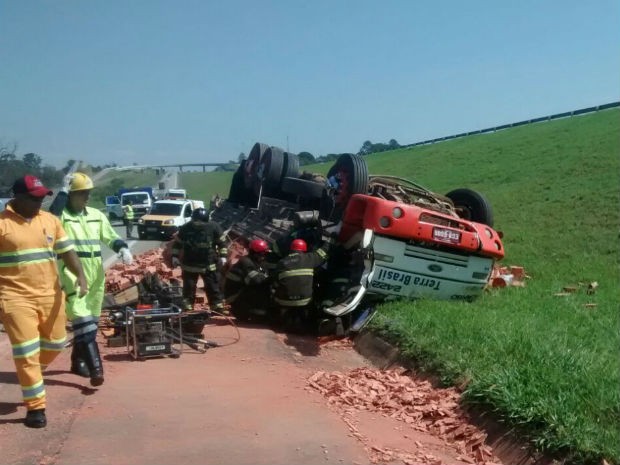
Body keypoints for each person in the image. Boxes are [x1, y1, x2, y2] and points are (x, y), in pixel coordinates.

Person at [0, 175, 87, 428]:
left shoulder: (50, 221)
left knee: (57, 342)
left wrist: (79, 275)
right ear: (17, 197)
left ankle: (31, 373)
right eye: (33, 198)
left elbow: (67, 251)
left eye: (42, 197)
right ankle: (36, 408)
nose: (39, 202)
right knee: (26, 351)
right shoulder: (2, 224)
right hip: (14, 298)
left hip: (51, 294)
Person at [49, 172, 133, 386]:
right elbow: (50, 221)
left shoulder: (96, 214)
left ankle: (77, 362)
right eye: (81, 193)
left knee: (91, 323)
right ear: (70, 195)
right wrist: (62, 193)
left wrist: (122, 247)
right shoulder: (62, 217)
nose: (87, 197)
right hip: (71, 273)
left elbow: (109, 235)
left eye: (88, 192)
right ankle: (97, 369)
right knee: (83, 321)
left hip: (95, 274)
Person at [171, 207, 229, 312]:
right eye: (196, 222)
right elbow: (177, 243)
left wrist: (223, 256)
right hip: (190, 264)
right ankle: (187, 307)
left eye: (201, 223)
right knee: (189, 288)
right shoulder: (186, 228)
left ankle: (217, 307)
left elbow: (222, 243)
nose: (198, 224)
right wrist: (174, 256)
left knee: (213, 287)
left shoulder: (214, 227)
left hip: (209, 264)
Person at [272, 237, 332, 333]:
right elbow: (323, 253)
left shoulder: (281, 262)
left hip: (284, 301)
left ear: (291, 249)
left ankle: (284, 322)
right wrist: (330, 240)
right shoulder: (309, 258)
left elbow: (274, 280)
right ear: (304, 249)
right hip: (304, 301)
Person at [224, 239, 271, 321]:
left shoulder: (255, 261)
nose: (264, 256)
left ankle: (258, 313)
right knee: (262, 289)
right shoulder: (246, 262)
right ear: (255, 253)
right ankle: (258, 314)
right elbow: (256, 281)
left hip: (240, 294)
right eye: (263, 253)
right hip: (235, 298)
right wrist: (272, 279)